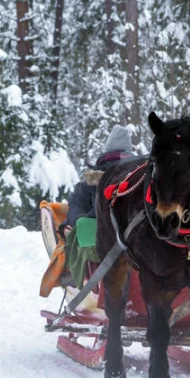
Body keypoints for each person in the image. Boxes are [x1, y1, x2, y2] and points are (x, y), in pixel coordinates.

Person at [39, 125, 134, 297]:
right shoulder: (138, 181)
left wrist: (85, 219)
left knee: (79, 228)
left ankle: (73, 272)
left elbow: (75, 213)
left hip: (102, 241)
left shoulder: (86, 186)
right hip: (131, 242)